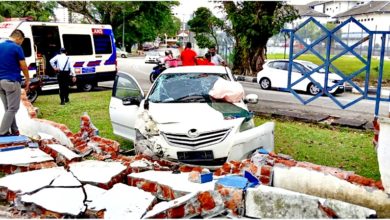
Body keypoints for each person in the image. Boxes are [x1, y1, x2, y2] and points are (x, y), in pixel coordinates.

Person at [0, 29, 30, 136]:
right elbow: (23, 66)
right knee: (13, 108)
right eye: (21, 41)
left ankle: (14, 130)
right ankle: (2, 132)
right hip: (11, 81)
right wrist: (27, 79)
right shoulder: (17, 47)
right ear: (18, 38)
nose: (21, 43)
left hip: (0, 82)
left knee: (8, 108)